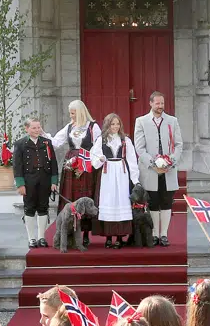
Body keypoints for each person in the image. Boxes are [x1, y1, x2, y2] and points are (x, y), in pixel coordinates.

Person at [132, 91, 183, 247]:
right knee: (153, 202)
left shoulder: (172, 121)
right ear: (151, 103)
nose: (160, 106)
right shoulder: (141, 121)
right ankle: (154, 234)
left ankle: (164, 234)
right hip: (150, 170)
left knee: (167, 201)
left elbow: (179, 145)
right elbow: (139, 148)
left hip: (168, 169)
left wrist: (170, 161)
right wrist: (153, 164)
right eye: (157, 103)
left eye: (162, 103)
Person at [52, 99, 100, 248]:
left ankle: (85, 233)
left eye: (73, 113)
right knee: (71, 196)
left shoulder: (93, 127)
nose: (71, 116)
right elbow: (55, 142)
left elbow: (98, 146)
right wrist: (41, 135)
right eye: (70, 113)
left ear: (80, 112)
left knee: (85, 197)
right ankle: (69, 232)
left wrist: (86, 163)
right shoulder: (69, 127)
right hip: (70, 165)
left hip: (86, 164)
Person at [92, 113, 141, 248]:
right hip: (107, 174)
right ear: (107, 125)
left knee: (121, 200)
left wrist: (135, 180)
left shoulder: (125, 140)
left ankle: (119, 236)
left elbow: (132, 160)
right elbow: (93, 155)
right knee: (108, 201)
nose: (115, 126)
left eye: (117, 124)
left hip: (121, 173)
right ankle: (108, 237)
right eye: (112, 124)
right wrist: (100, 159)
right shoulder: (101, 140)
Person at [12, 116, 57, 248]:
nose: (37, 130)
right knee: (29, 208)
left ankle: (41, 237)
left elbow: (53, 163)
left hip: (45, 178)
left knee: (43, 207)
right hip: (28, 180)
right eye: (34, 127)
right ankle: (31, 238)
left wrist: (54, 181)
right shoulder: (20, 144)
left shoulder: (47, 143)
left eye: (38, 127)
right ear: (27, 129)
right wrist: (20, 184)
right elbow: (17, 166)